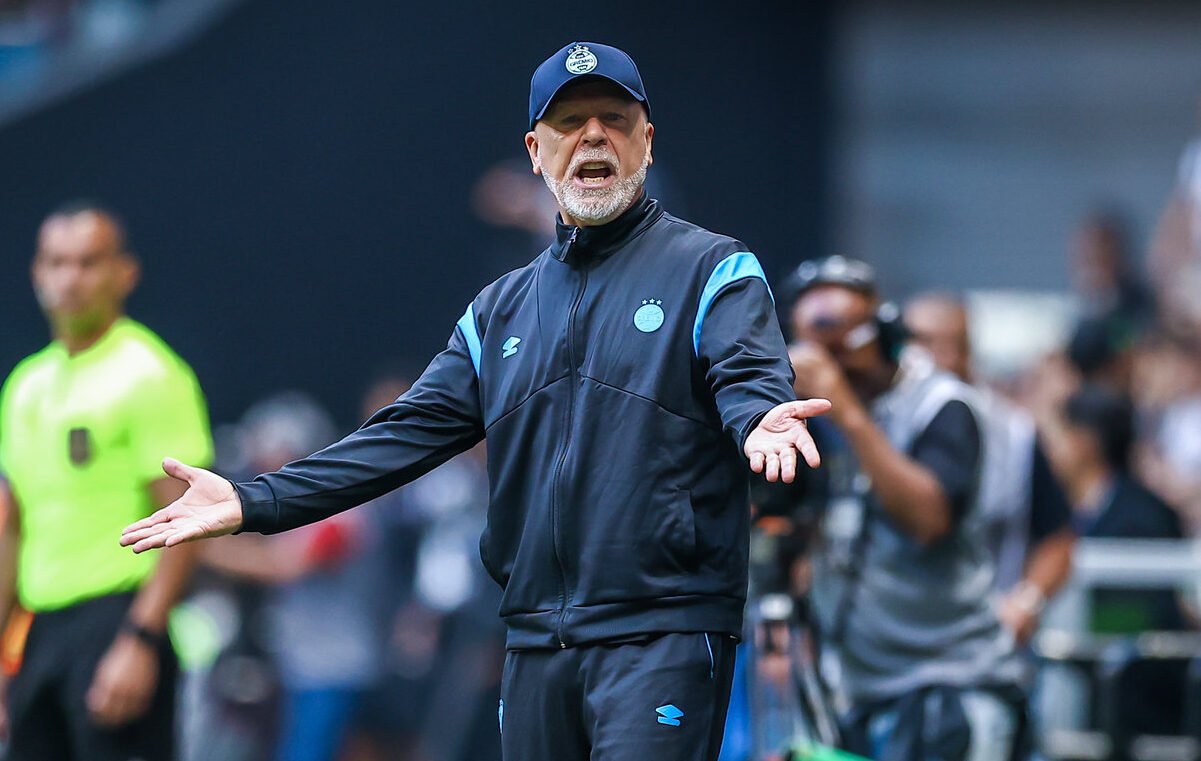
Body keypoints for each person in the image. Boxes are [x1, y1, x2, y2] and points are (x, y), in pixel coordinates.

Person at [121, 42, 830, 761]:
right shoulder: (498, 311)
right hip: (533, 643)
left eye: (613, 119)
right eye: (568, 123)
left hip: (661, 632)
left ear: (645, 140)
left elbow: (747, 370)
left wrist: (759, 414)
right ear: (534, 151)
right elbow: (399, 434)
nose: (592, 136)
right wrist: (255, 499)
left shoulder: (713, 269)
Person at [782, 256, 1025, 761]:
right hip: (857, 689)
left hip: (948, 688)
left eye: (836, 345)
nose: (825, 366)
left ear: (884, 333)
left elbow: (927, 519)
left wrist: (842, 406)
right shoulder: (816, 422)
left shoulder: (943, 405)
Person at [0, 202, 213, 760]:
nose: (70, 279)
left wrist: (140, 640)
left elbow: (187, 522)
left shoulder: (149, 373)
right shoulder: (25, 385)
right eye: (57, 262)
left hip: (119, 620)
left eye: (89, 262)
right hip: (40, 629)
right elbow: (11, 527)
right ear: (37, 273)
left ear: (125, 273)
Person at [904, 293, 1074, 646]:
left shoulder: (1014, 434)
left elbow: (1058, 537)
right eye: (911, 341)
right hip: (889, 637)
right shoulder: (881, 417)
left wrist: (1026, 603)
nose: (918, 357)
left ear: (965, 351)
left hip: (984, 638)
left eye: (934, 343)